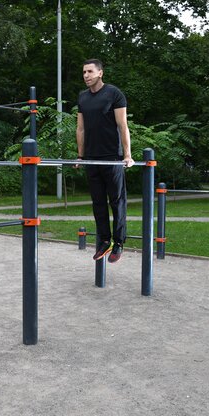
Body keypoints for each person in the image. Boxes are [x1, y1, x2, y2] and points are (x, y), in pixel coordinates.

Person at [76, 59, 134, 263]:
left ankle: (119, 242)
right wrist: (80, 156)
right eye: (84, 72)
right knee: (98, 202)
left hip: (112, 157)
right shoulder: (83, 97)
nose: (86, 75)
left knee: (117, 201)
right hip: (91, 158)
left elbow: (122, 125)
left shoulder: (114, 94)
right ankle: (104, 240)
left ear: (100, 73)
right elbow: (80, 128)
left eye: (90, 71)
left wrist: (127, 155)